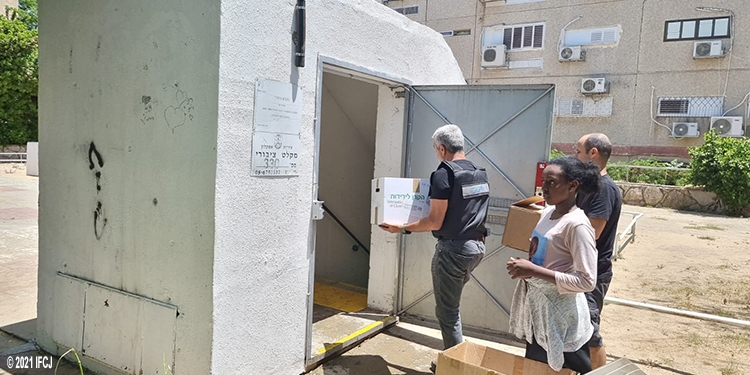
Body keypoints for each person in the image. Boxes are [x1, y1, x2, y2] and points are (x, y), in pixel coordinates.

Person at [379, 124, 490, 354]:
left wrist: (401, 228)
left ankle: (456, 365)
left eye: (434, 148)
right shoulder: (479, 172)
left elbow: (434, 221)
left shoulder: (444, 173)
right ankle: (456, 358)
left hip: (453, 251)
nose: (435, 152)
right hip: (477, 248)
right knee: (452, 307)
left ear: (442, 148)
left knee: (447, 312)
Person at [506, 156, 601, 373]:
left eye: (551, 182)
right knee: (536, 369)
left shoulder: (577, 225)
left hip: (562, 320)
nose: (544, 188)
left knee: (568, 368)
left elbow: (587, 281)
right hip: (541, 315)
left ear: (572, 186)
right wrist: (526, 267)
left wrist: (534, 271)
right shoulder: (549, 213)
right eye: (543, 182)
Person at [574, 133, 623, 369]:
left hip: (592, 274)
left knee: (591, 335)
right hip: (580, 271)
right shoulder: (588, 187)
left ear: (593, 154)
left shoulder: (603, 190)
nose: (575, 157)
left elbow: (591, 234)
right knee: (579, 334)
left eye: (578, 152)